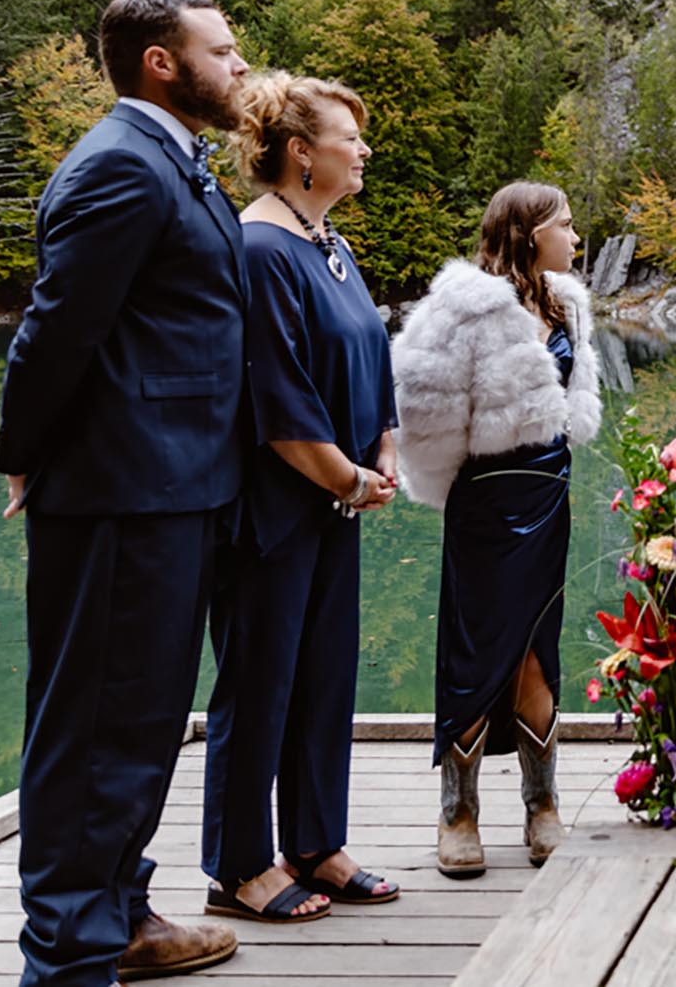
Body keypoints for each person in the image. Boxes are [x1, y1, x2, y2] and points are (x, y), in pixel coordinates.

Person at [0, 0, 249, 985]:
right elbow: (56, 330)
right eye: (220, 52)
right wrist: (26, 450)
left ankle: (122, 912)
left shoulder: (171, 161)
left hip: (173, 488)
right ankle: (67, 953)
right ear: (160, 62)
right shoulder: (117, 167)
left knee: (137, 722)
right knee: (96, 728)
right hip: (115, 494)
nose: (238, 67)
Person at [199, 74, 399, 925]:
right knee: (259, 681)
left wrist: (381, 447)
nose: (362, 150)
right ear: (299, 152)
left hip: (337, 502)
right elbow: (276, 397)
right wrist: (346, 474)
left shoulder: (328, 242)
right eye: (347, 137)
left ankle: (316, 841)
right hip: (272, 510)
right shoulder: (258, 247)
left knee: (324, 676)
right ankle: (241, 863)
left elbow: (370, 357)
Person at [391, 182, 603, 877]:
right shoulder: (463, 310)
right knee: (476, 651)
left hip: (551, 496)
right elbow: (419, 408)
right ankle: (458, 811)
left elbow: (570, 402)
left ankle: (542, 805)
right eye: (565, 225)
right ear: (527, 230)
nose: (576, 236)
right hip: (485, 502)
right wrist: (458, 480)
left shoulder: (566, 302)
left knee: (538, 649)